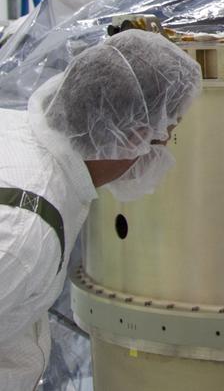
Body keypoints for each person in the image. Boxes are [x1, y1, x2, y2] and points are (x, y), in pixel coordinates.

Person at [0, 30, 201, 389]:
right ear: (132, 137)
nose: (161, 154)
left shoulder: (13, 130)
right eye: (163, 137)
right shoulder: (25, 235)